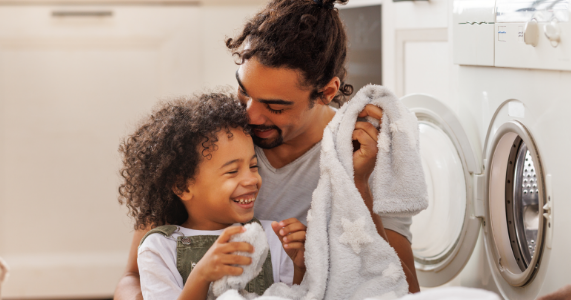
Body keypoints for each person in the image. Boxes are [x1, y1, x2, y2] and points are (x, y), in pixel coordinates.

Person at [113, 1, 420, 298]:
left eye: (275, 107)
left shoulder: (362, 153)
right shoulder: (214, 140)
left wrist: (358, 185)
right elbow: (132, 278)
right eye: (244, 93)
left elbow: (406, 290)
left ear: (326, 92)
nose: (249, 116)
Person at [117, 93, 307, 300]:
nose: (252, 179)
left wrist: (300, 267)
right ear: (183, 186)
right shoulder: (159, 248)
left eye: (254, 166)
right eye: (232, 171)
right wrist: (201, 275)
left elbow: (290, 295)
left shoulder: (272, 237)